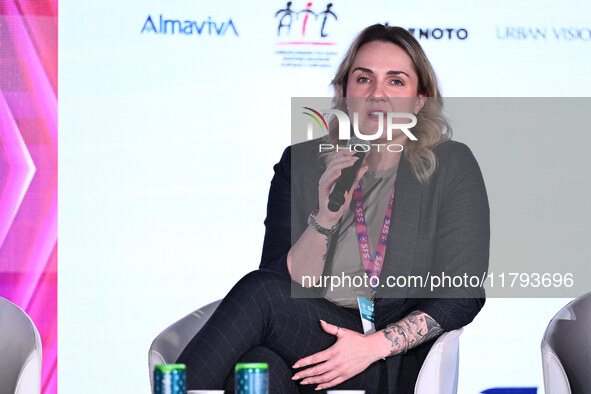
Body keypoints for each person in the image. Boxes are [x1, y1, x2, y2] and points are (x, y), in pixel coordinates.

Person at [177, 24, 489, 394]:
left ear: (420, 99)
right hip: (308, 335)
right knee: (256, 365)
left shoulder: (449, 165)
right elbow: (282, 281)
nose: (377, 94)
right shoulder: (304, 163)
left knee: (260, 298)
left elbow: (463, 292)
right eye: (363, 79)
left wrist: (369, 348)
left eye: (396, 81)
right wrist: (324, 218)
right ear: (345, 92)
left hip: (388, 358)